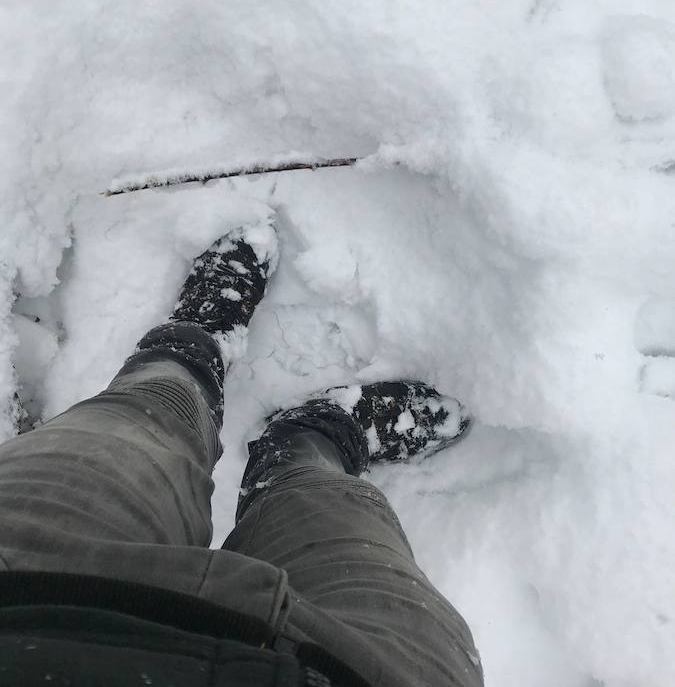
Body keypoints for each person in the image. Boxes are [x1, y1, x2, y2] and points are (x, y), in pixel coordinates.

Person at [0, 225, 484, 687]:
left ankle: (196, 341)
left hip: (24, 587)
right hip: (342, 668)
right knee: (335, 515)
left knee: (137, 422)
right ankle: (307, 439)